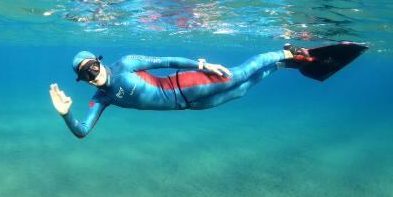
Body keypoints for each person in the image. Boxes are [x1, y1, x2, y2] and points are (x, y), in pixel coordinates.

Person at [49, 43, 366, 138]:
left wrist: (201, 65)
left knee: (240, 73)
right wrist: (66, 115)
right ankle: (282, 65)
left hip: (187, 83)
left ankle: (285, 52)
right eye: (85, 76)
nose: (92, 77)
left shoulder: (126, 64)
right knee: (241, 91)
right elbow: (82, 131)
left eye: (92, 68)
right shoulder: (100, 98)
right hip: (190, 105)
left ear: (99, 62)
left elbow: (166, 59)